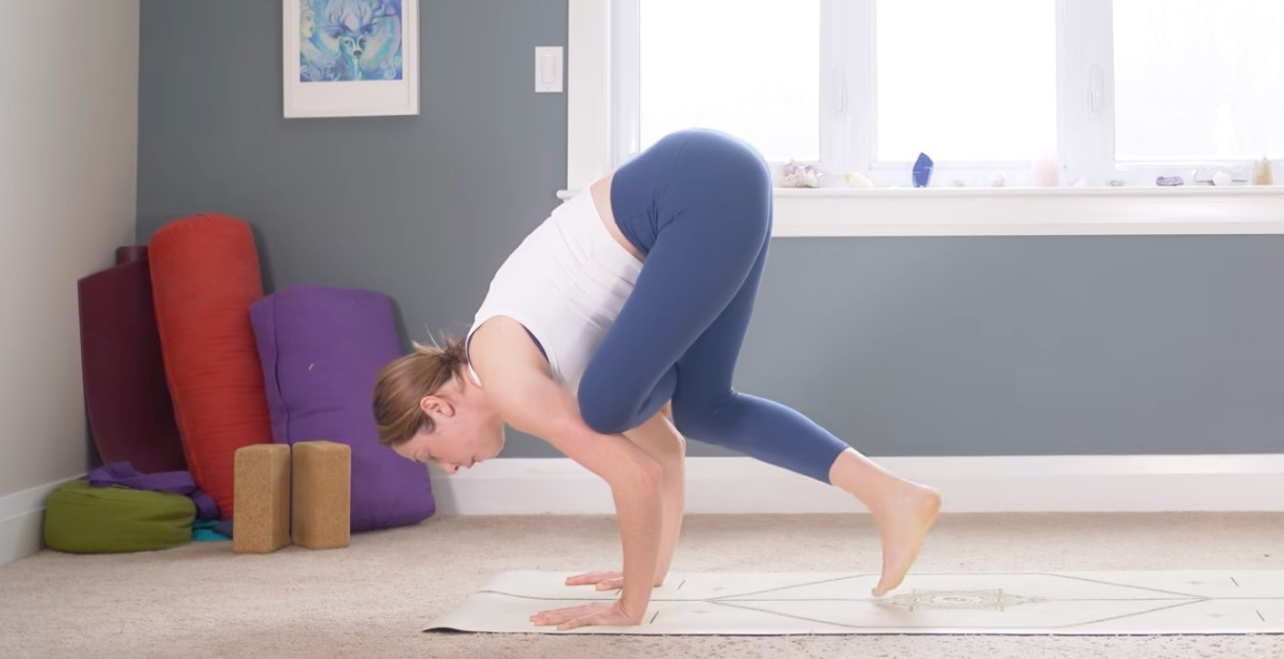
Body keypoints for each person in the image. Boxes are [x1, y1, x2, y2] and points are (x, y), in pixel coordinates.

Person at [371, 129, 942, 631]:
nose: (449, 470)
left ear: (439, 408)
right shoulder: (513, 359)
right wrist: (654, 570)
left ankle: (890, 498)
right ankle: (895, 498)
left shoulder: (510, 384)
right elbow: (666, 452)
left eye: (429, 456)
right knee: (701, 409)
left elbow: (635, 475)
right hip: (718, 180)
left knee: (605, 406)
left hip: (696, 188)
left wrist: (629, 606)